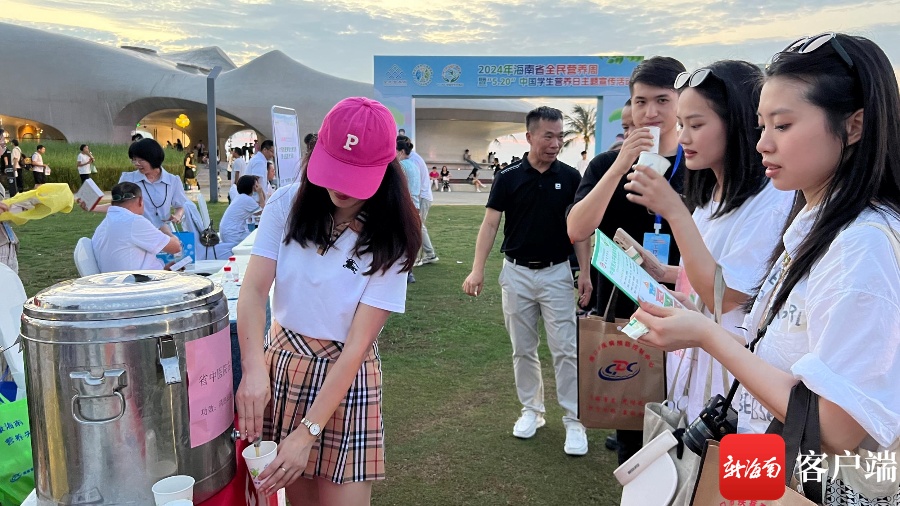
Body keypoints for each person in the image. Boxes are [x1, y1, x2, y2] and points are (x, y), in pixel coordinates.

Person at [633, 34, 900, 503]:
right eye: (761, 125)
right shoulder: (814, 224)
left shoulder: (862, 244)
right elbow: (783, 353)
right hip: (763, 447)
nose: (763, 144)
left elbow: (835, 426)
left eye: (783, 125)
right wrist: (697, 324)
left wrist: (708, 335)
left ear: (854, 126)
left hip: (806, 475)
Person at [235, 97, 421, 505]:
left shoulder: (394, 234)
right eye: (334, 169)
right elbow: (252, 291)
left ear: (384, 169)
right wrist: (252, 370)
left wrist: (308, 432)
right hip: (283, 365)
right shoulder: (286, 204)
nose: (338, 187)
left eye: (354, 176)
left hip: (346, 378)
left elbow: (357, 346)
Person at [623, 60, 793, 425]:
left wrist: (674, 212)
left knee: (726, 475)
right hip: (694, 366)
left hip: (734, 380)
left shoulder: (771, 201)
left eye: (696, 125)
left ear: (739, 126)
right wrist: (664, 272)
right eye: (682, 124)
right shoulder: (711, 193)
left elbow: (725, 294)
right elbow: (706, 275)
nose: (683, 137)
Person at [566, 56, 687, 465]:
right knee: (635, 444)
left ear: (681, 103)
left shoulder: (699, 167)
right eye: (639, 102)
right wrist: (620, 165)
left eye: (662, 100)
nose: (649, 112)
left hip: (689, 317)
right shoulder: (606, 166)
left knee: (689, 436)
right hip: (627, 322)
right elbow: (576, 228)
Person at [462, 106, 593, 456]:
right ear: (530, 136)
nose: (555, 143)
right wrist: (478, 269)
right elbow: (490, 224)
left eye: (559, 136)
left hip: (556, 273)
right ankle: (532, 412)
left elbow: (581, 231)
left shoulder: (569, 177)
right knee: (523, 349)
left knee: (565, 349)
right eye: (548, 136)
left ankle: (573, 420)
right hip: (516, 272)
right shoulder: (508, 177)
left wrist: (586, 274)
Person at [86, 139, 189, 230]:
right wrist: (93, 207)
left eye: (141, 160)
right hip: (136, 233)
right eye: (134, 159)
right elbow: (118, 206)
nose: (136, 163)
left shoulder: (173, 180)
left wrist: (177, 215)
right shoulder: (128, 179)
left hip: (164, 234)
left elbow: (180, 206)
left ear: (153, 158)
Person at [91, 182, 182, 272]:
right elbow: (175, 247)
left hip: (122, 281)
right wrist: (166, 230)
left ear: (113, 202)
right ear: (140, 201)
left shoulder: (103, 226)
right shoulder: (133, 221)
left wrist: (163, 270)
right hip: (141, 284)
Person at [397, 135, 420, 283]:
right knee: (409, 240)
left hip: (404, 206)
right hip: (415, 206)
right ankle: (409, 271)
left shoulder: (401, 166)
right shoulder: (414, 165)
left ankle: (404, 272)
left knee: (399, 240)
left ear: (400, 152)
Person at [409, 147, 438, 266]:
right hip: (422, 196)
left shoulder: (412, 160)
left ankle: (418, 258)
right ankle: (430, 254)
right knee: (419, 226)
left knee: (417, 226)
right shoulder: (414, 158)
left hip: (421, 196)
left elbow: (414, 181)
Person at [220, 175, 265, 245]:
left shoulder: (241, 197)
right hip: (233, 234)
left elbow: (260, 204)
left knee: (257, 237)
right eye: (256, 184)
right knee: (260, 239)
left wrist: (261, 192)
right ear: (252, 186)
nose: (258, 186)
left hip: (228, 232)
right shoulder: (247, 200)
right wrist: (260, 192)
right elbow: (263, 211)